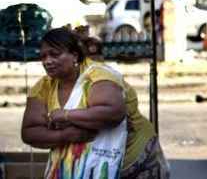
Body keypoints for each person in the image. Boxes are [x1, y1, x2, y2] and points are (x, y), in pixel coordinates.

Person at [21, 27, 170, 178]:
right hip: (85, 167)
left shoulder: (98, 75)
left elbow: (113, 113)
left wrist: (65, 115)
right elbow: (29, 132)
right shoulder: (44, 87)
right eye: (43, 56)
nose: (47, 61)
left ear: (74, 55)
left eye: (54, 54)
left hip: (133, 163)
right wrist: (66, 136)